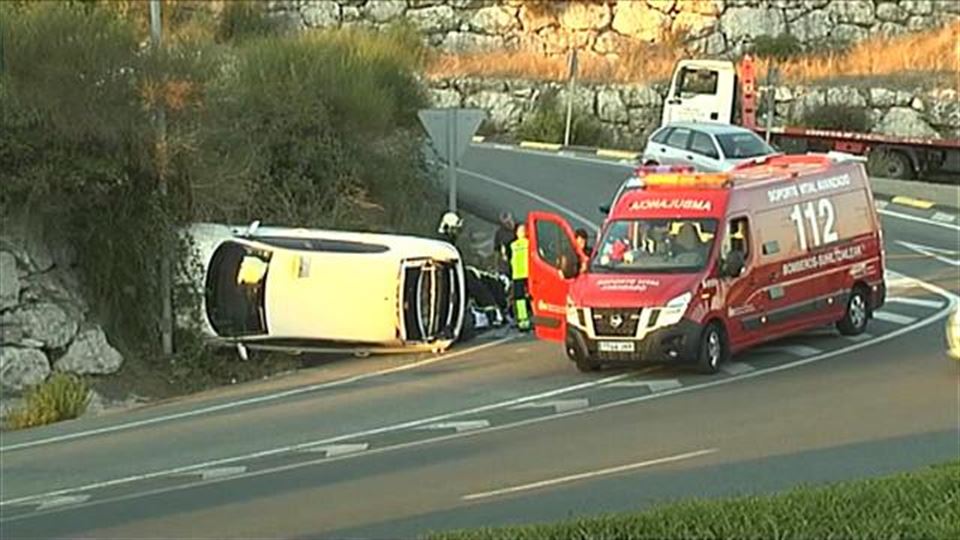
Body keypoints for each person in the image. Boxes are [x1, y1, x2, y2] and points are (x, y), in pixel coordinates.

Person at [509, 222, 532, 332]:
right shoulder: (512, 245)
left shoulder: (530, 243)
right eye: (520, 230)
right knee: (519, 299)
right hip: (517, 275)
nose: (521, 232)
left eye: (523, 230)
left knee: (531, 297)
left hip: (528, 274)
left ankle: (532, 317)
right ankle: (523, 319)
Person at [493, 211, 515, 278]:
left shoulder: (519, 229)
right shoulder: (500, 233)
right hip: (507, 263)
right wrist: (496, 266)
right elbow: (497, 250)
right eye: (507, 223)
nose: (509, 224)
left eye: (510, 221)